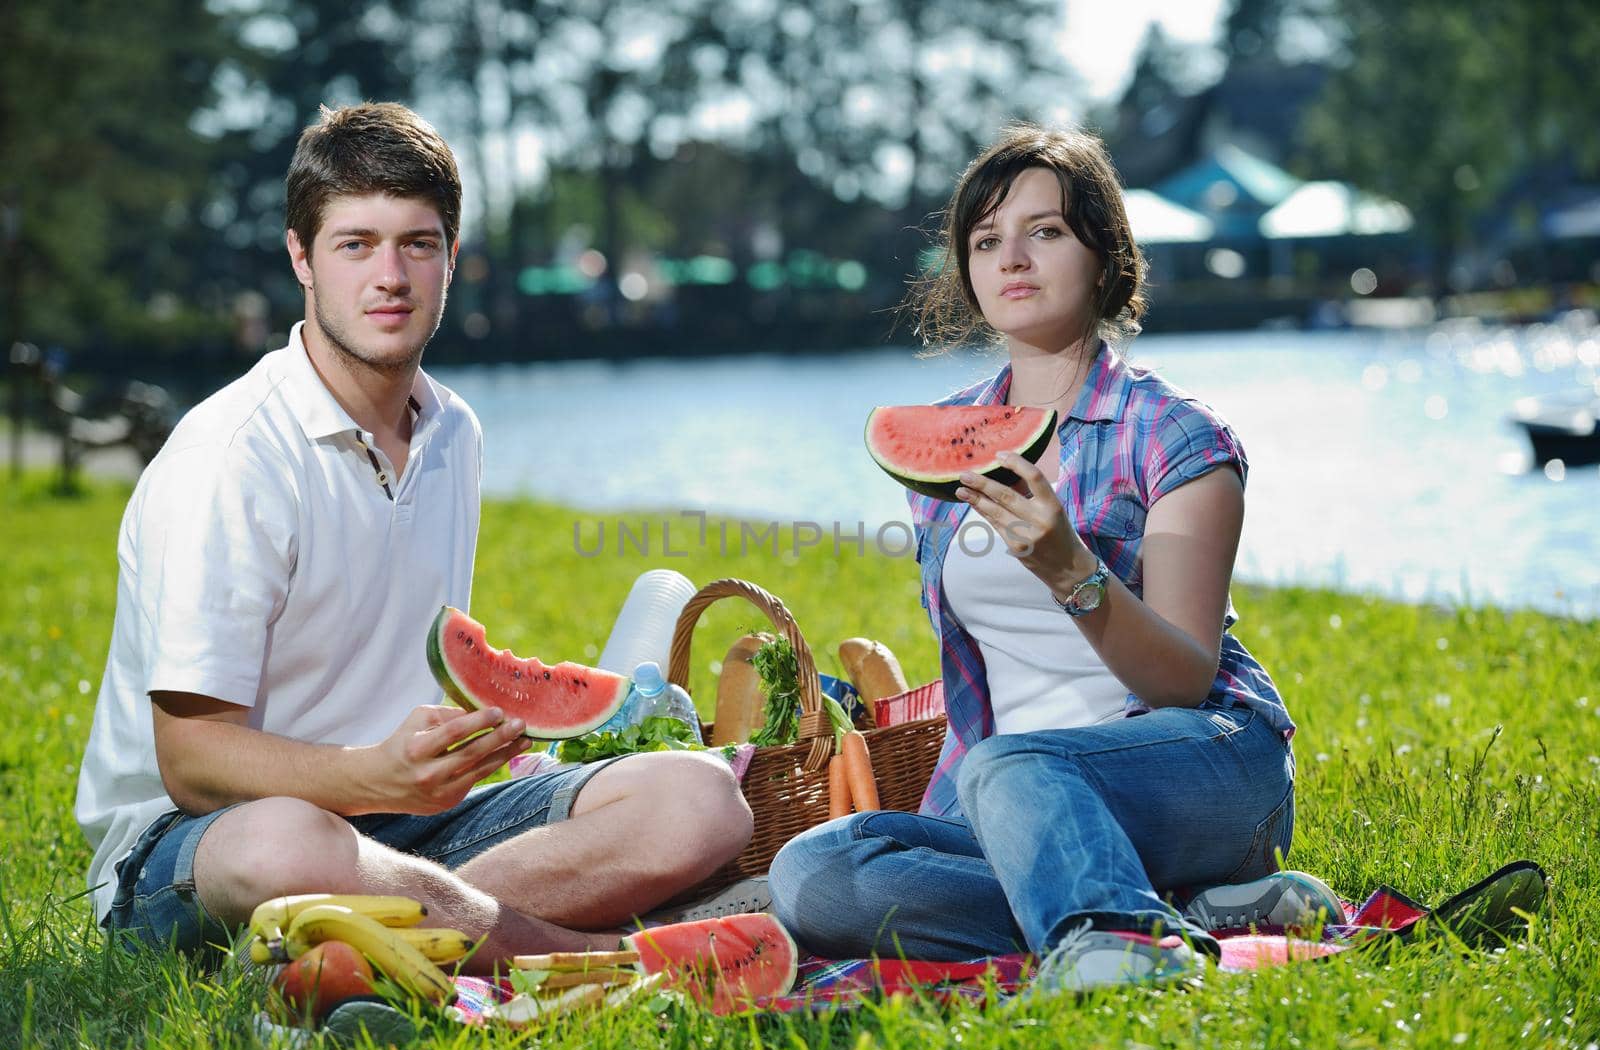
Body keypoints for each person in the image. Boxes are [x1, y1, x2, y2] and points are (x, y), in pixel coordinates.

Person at [74, 103, 752, 969]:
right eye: (355, 244)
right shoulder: (232, 454)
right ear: (302, 260)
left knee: (700, 801)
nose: (388, 275)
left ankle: (375, 930)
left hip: (405, 821)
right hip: (193, 844)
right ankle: (585, 954)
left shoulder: (453, 433)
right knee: (288, 847)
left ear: (450, 259)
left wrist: (455, 748)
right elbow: (191, 758)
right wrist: (369, 777)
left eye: (417, 244)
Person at [768, 124, 1325, 993]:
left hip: (1202, 764)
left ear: (1104, 256)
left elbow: (1183, 675)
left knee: (1014, 764)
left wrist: (1070, 567)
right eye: (986, 240)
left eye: (1046, 231)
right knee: (814, 871)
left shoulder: (1174, 435)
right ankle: (1183, 906)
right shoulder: (947, 439)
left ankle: (1123, 942)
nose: (1011, 258)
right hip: (1008, 793)